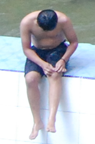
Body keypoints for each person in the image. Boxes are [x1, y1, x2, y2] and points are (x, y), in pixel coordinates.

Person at [21, 9, 79, 140]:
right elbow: (26, 49)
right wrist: (42, 64)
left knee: (54, 74)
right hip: (37, 52)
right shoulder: (27, 22)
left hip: (58, 50)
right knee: (30, 79)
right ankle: (37, 122)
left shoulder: (63, 20)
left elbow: (74, 42)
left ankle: (51, 118)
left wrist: (63, 60)